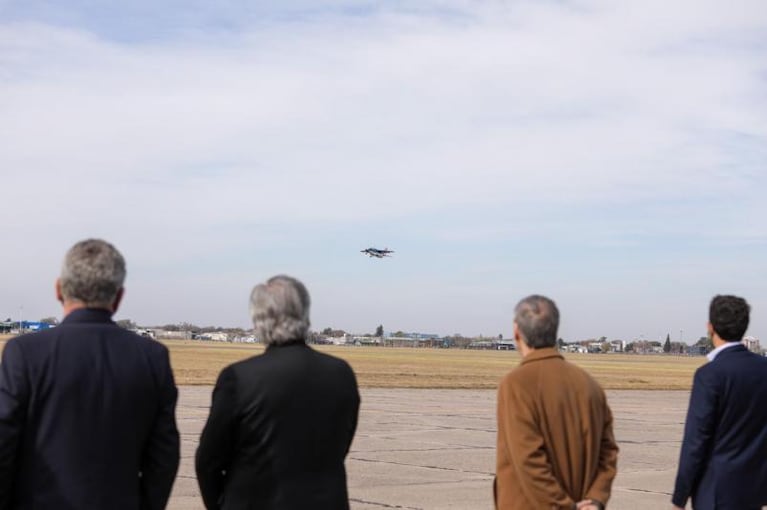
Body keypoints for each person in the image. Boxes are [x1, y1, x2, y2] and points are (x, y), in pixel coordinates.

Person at [0, 239, 180, 509]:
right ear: (118, 297)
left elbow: (4, 444)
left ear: (59, 289)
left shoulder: (24, 353)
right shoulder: (152, 357)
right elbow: (163, 456)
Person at [196, 275, 360, 510]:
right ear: (304, 313)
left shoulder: (239, 377)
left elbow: (208, 462)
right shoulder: (341, 373)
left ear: (259, 319)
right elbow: (341, 445)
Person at [495, 295, 618, 510]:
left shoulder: (516, 384)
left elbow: (528, 458)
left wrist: (562, 506)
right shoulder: (590, 385)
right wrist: (596, 498)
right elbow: (608, 451)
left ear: (516, 332)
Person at [672, 295, 767, 510]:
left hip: (716, 494)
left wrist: (680, 497)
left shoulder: (710, 375)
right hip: (755, 492)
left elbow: (696, 441)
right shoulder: (763, 369)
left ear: (710, 327)